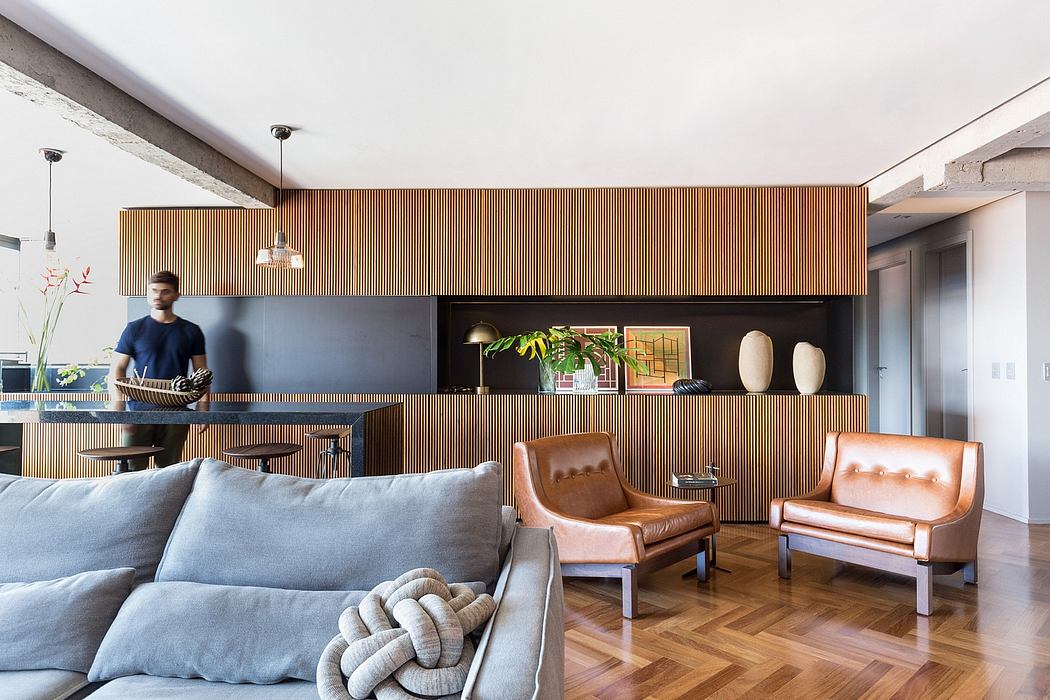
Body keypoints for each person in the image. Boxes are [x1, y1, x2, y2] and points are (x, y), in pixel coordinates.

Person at [109, 270, 209, 469]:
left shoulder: (191, 331)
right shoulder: (134, 328)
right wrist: (118, 409)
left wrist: (203, 409)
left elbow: (202, 374)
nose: (158, 295)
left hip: (177, 413)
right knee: (131, 471)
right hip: (138, 412)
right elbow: (117, 369)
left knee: (168, 471)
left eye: (165, 291)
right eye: (153, 290)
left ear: (176, 295)